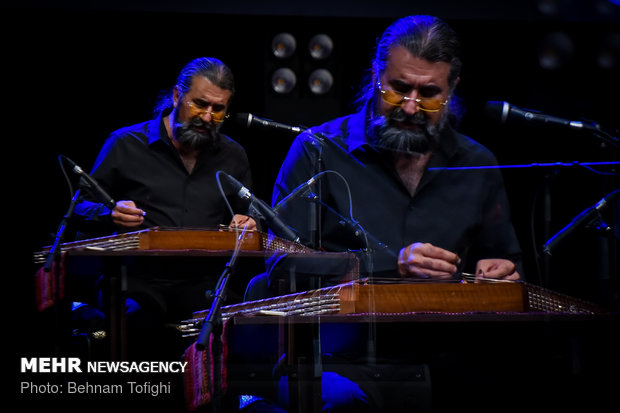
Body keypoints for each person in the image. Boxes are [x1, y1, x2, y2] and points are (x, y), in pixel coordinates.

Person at [248, 15, 523, 412]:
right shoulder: (317, 150)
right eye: (398, 88)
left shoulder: (478, 163)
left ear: (452, 89)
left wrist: (503, 273)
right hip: (336, 357)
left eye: (429, 94)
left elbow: (508, 263)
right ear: (377, 75)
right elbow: (279, 265)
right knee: (341, 404)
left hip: (451, 360)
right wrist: (389, 266)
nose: (410, 107)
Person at [70, 57, 258, 360]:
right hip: (135, 279)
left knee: (229, 325)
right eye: (199, 104)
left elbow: (253, 214)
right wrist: (110, 212)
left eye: (218, 109)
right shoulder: (125, 143)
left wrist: (250, 223)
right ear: (175, 96)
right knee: (134, 321)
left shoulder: (233, 156)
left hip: (202, 283)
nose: (208, 117)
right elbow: (78, 206)